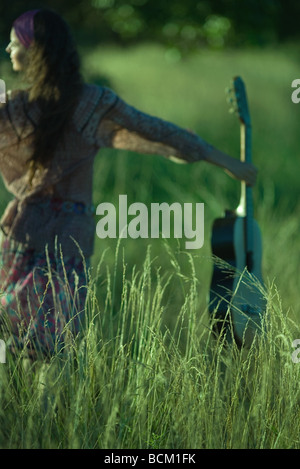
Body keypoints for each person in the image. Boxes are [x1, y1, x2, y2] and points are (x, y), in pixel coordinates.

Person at [0, 8, 257, 358]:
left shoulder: (15, 109)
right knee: (52, 343)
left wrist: (222, 160)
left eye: (14, 44)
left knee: (29, 339)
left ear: (34, 50)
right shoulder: (88, 102)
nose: (8, 50)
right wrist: (224, 161)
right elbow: (155, 128)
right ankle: (41, 408)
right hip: (63, 235)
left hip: (28, 232)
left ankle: (39, 409)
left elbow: (152, 132)